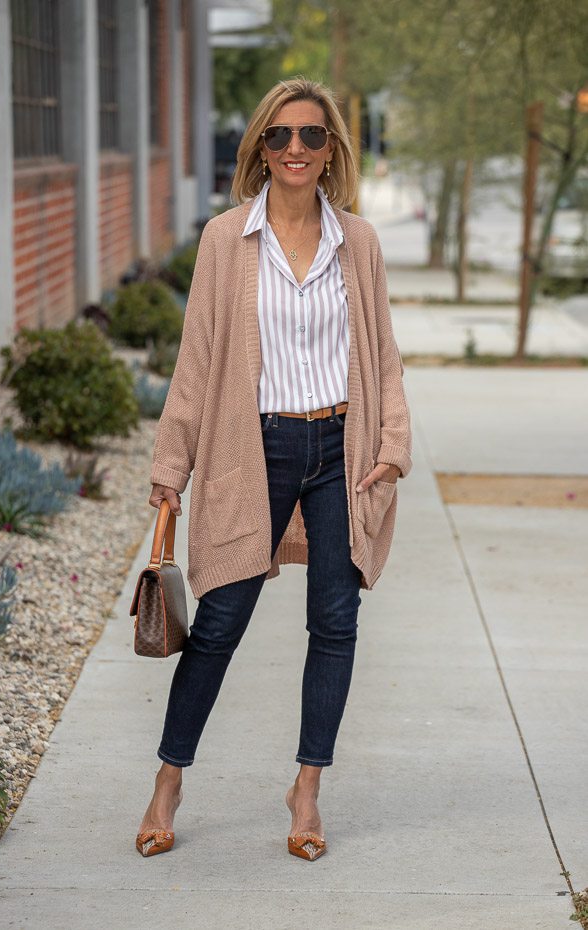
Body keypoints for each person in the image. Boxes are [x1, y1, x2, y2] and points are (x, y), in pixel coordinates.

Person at [135, 77, 412, 861]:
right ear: (260, 147)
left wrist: (391, 448)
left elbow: (383, 355)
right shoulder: (228, 239)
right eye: (281, 136)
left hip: (340, 450)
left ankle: (307, 788)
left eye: (312, 137)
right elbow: (199, 360)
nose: (296, 149)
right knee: (219, 622)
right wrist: (171, 464)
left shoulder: (357, 241)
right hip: (250, 447)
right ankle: (169, 778)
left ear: (332, 151)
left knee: (335, 622)